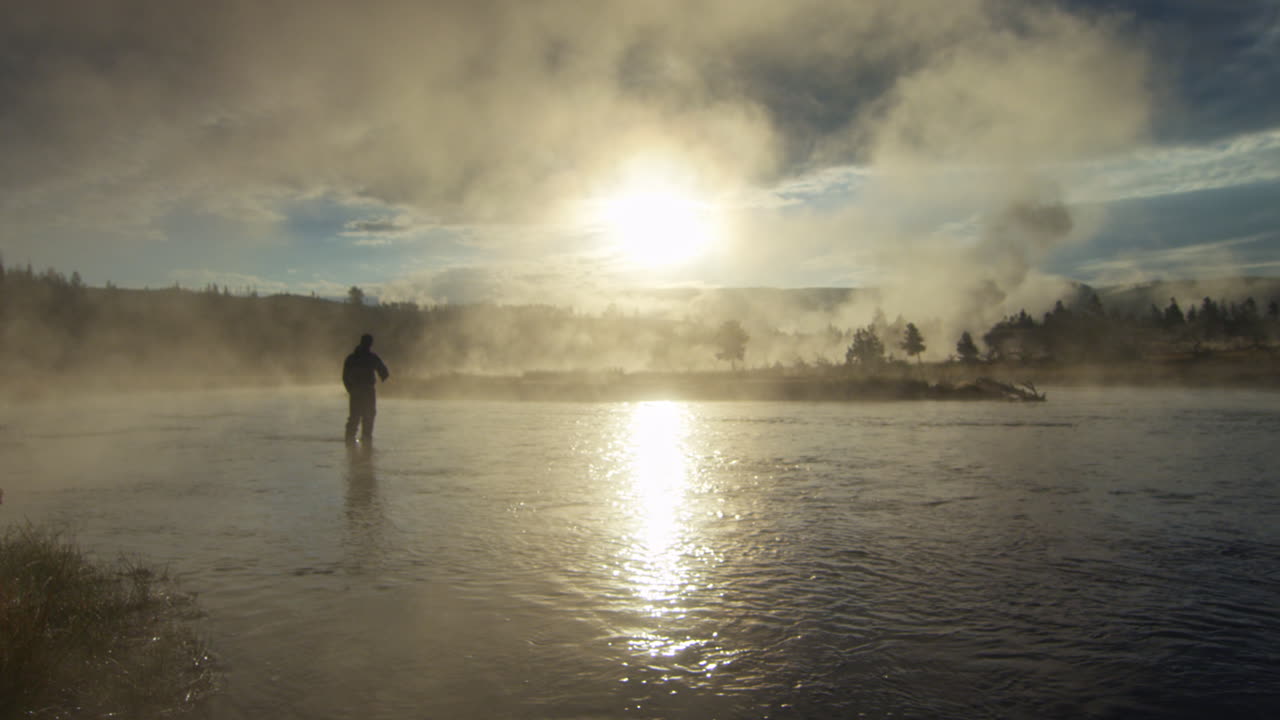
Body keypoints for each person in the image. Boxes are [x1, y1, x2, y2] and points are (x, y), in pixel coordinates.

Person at [343, 333, 390, 444]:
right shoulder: (372, 358)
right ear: (370, 344)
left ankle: (351, 441)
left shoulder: (352, 358)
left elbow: (344, 378)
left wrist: (350, 390)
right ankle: (365, 441)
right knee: (367, 415)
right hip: (367, 391)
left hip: (356, 391)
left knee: (356, 416)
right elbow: (385, 374)